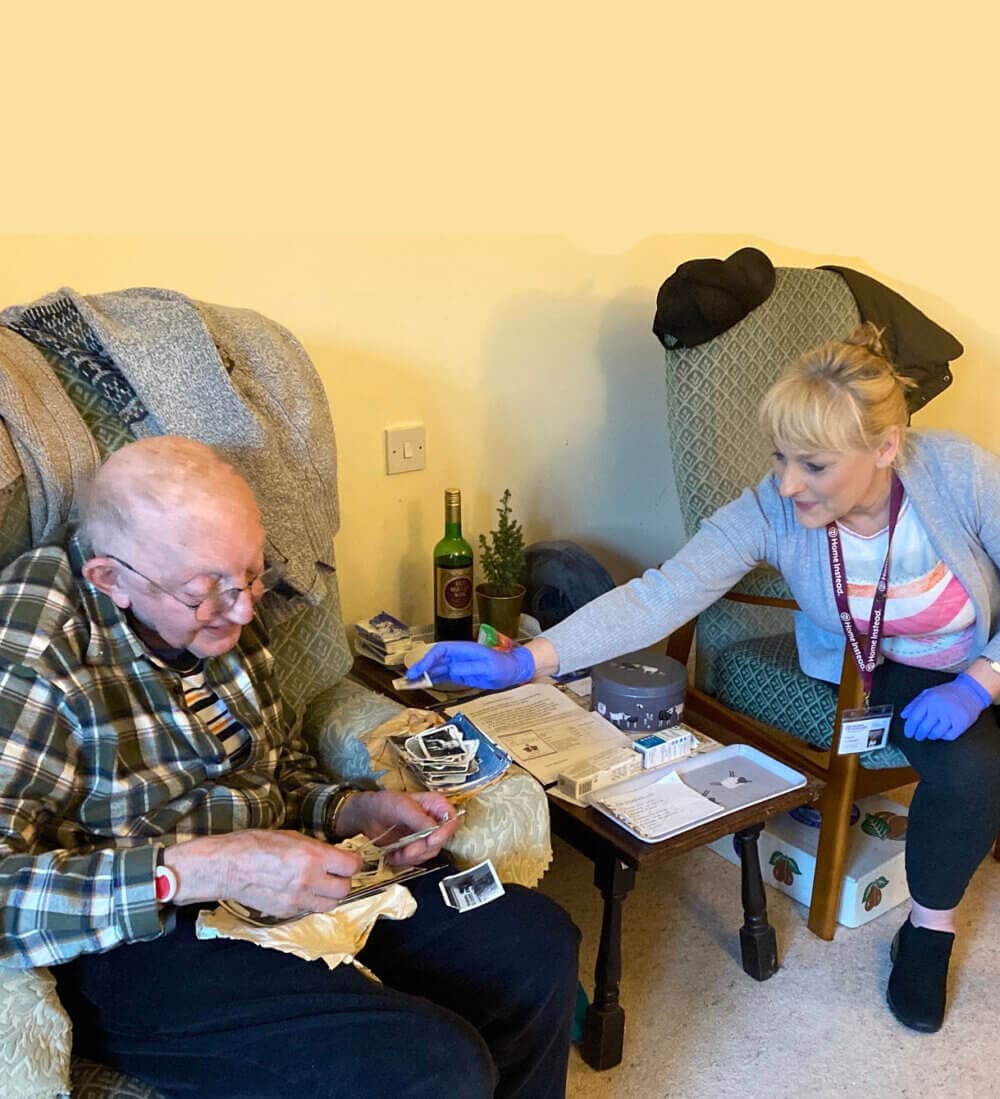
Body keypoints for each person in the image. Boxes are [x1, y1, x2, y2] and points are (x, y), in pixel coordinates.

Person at [410, 323, 1000, 1035]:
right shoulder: (774, 509)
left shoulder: (954, 471)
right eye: (780, 457)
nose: (788, 483)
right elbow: (662, 594)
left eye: (813, 465)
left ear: (884, 448)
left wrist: (981, 680)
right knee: (972, 768)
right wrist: (529, 659)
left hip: (984, 648)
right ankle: (929, 931)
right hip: (898, 666)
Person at [0, 436, 579, 1098]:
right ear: (113, 579)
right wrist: (205, 868)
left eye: (251, 575)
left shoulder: (229, 604)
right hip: (148, 937)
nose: (245, 610)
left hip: (282, 871)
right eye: (205, 591)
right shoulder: (37, 644)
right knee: (436, 1066)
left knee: (535, 943)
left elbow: (279, 768)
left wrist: (352, 809)